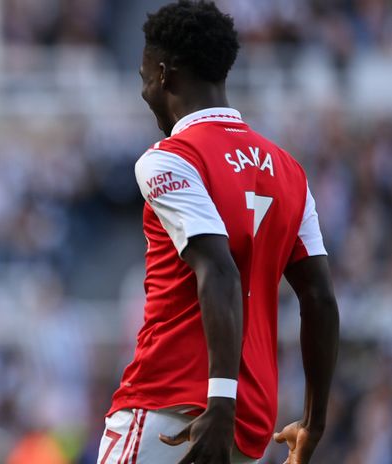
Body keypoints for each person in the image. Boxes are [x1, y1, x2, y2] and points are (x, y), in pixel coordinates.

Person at [97, 2, 340, 463]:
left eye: (144, 77)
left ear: (164, 75)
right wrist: (314, 420)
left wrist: (219, 400)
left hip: (172, 409)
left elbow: (220, 270)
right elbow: (320, 298)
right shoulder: (289, 171)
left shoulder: (170, 158)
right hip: (246, 427)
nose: (145, 92)